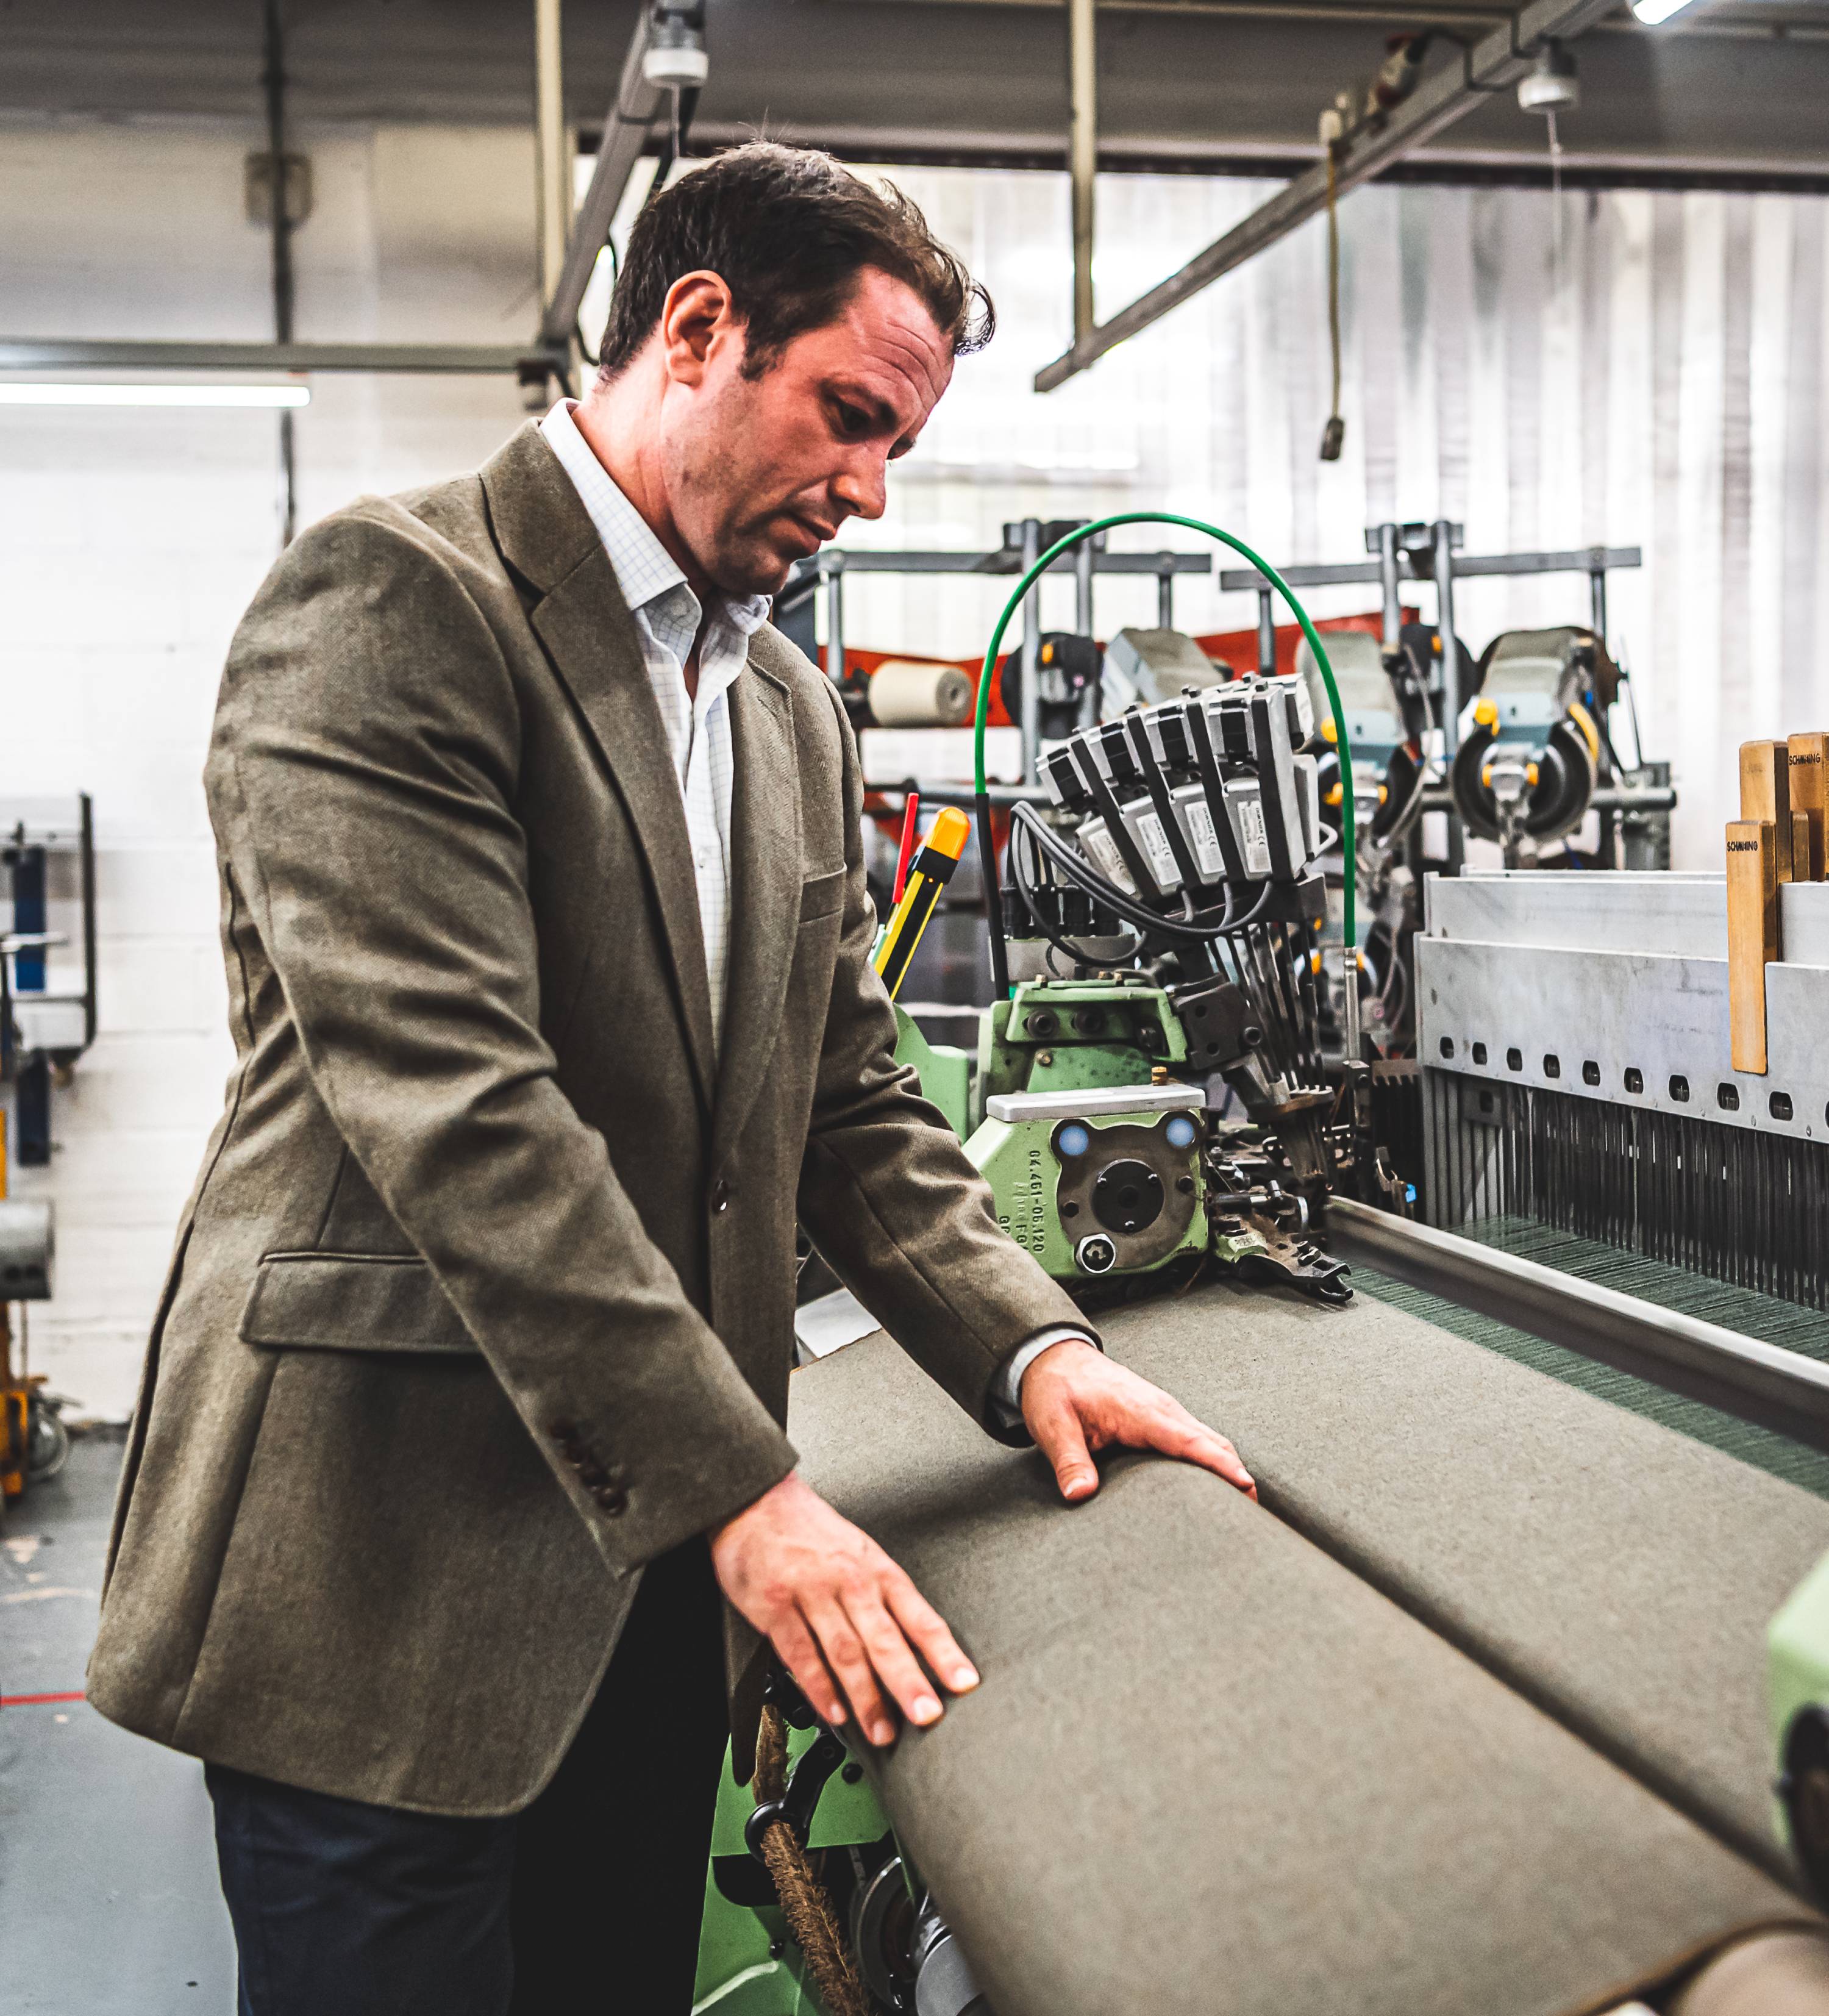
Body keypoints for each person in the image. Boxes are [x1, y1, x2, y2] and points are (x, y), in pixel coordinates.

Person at [88, 141, 1256, 2015]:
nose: (869, 490)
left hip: (646, 1592)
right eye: (850, 418)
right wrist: (745, 1486)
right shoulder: (395, 607)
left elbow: (849, 1092)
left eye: (898, 445)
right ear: (698, 328)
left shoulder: (782, 707)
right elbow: (461, 1111)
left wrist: (1038, 1348)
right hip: (389, 1574)